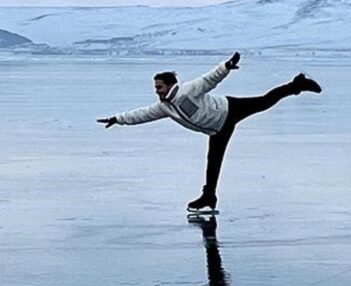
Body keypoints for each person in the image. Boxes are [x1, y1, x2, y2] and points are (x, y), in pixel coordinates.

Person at [97, 52, 322, 212]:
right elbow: (142, 114)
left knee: (264, 102)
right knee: (213, 162)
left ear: (169, 85)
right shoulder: (164, 107)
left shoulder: (188, 91)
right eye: (155, 87)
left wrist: (226, 67)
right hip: (217, 130)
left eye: (159, 87)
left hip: (229, 110)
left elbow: (209, 80)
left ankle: (297, 84)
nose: (156, 91)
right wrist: (118, 119)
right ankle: (209, 197)